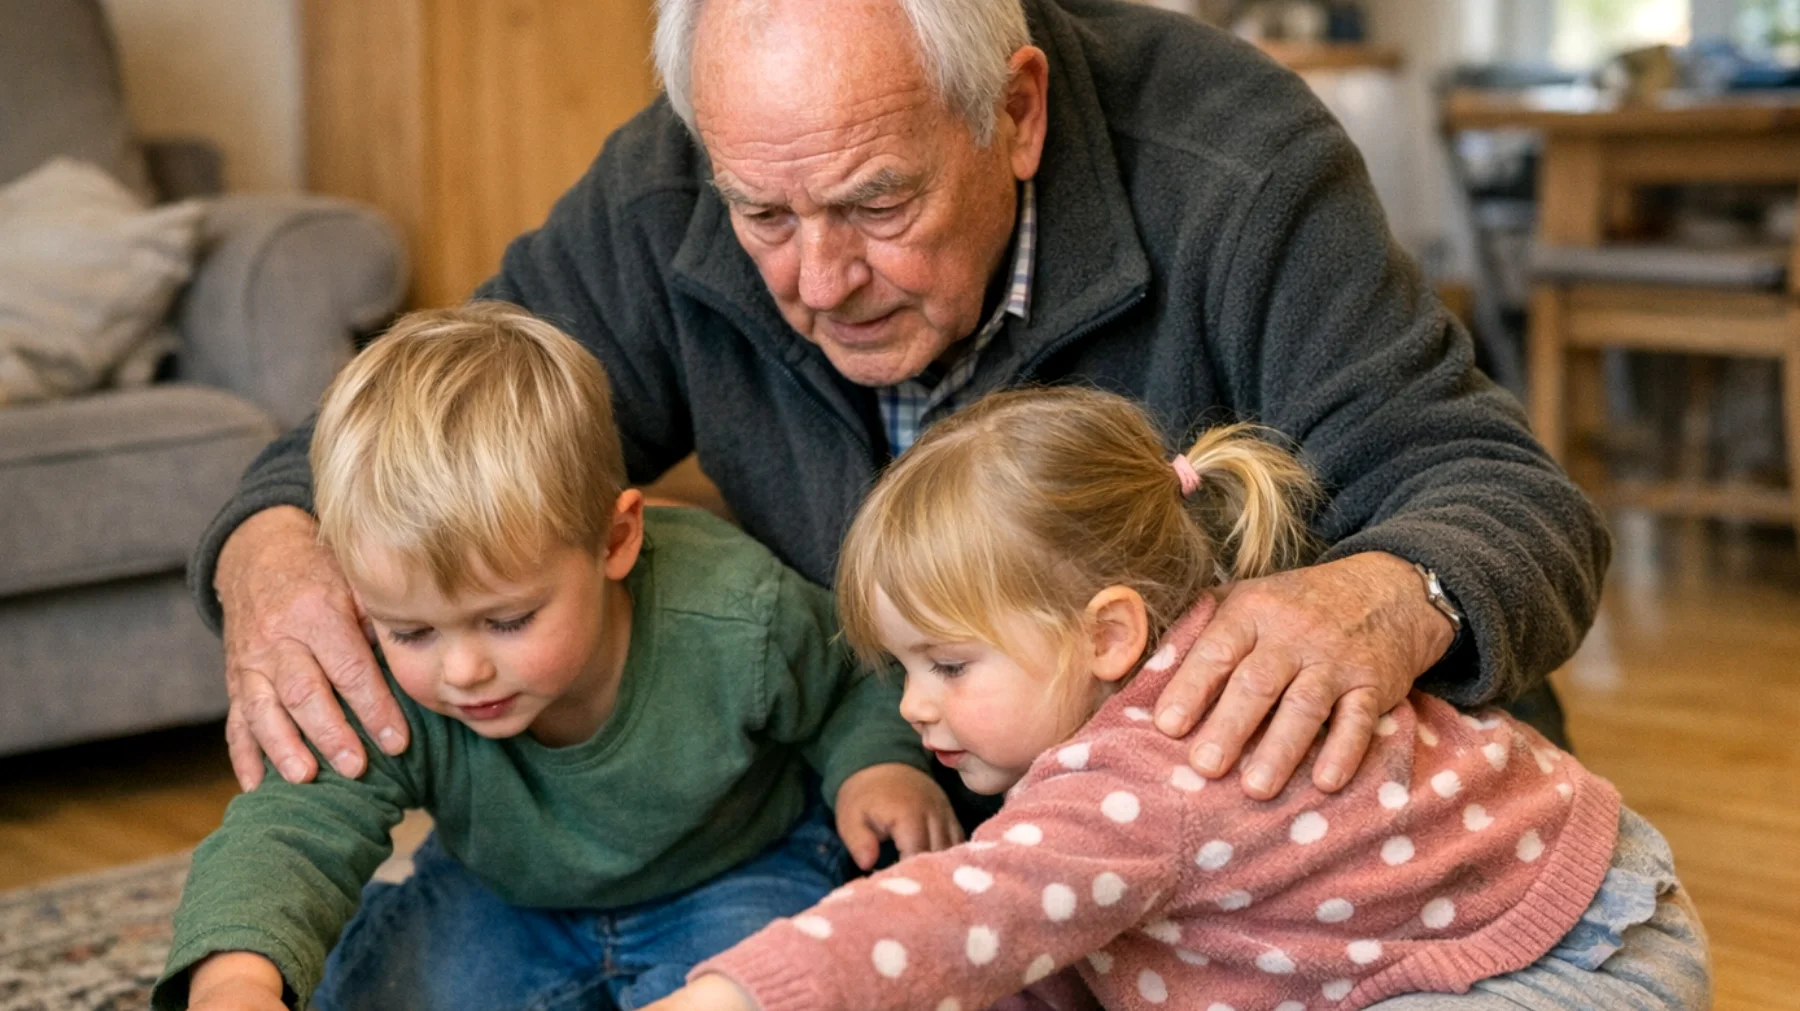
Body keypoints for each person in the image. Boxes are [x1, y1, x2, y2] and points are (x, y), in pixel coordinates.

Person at [190, 0, 1608, 828]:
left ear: (1019, 112)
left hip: (1300, 825)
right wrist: (273, 539)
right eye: (765, 214)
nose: (821, 278)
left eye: (879, 204)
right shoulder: (666, 184)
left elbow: (1506, 495)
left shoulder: (1233, 161)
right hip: (954, 812)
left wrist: (1381, 593)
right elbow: (419, 416)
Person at [644, 387, 1710, 1011]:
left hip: (1578, 955)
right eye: (907, 671)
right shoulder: (1157, 683)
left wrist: (745, 991)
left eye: (951, 666)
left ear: (1108, 632)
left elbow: (965, 913)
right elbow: (1050, 948)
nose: (917, 709)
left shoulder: (1148, 780)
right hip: (1567, 894)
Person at [153, 304, 958, 1011]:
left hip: (734, 873)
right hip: (510, 899)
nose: (461, 669)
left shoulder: (736, 610)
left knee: (782, 983)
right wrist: (234, 979)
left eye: (507, 619)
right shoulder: (386, 669)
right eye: (412, 631)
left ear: (615, 539)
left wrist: (874, 767)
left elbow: (854, 680)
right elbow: (290, 829)